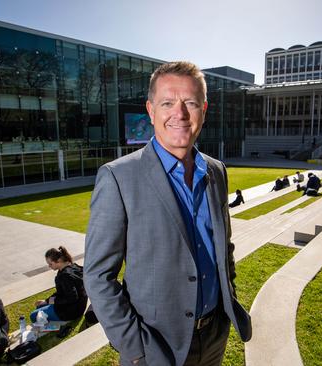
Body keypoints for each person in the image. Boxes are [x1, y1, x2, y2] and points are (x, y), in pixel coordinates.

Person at [84, 61, 251, 366]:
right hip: (156, 346)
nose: (180, 113)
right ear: (150, 110)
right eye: (167, 103)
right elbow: (97, 276)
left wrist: (228, 301)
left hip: (214, 335)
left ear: (204, 108)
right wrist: (134, 346)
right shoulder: (117, 177)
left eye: (190, 102)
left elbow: (223, 248)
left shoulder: (216, 171)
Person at [31, 246, 87, 323]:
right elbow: (62, 293)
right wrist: (46, 301)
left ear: (59, 260)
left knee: (33, 316)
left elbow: (72, 298)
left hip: (72, 311)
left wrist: (50, 302)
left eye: (50, 264)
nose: (49, 266)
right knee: (40, 306)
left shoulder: (65, 276)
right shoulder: (73, 266)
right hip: (79, 307)